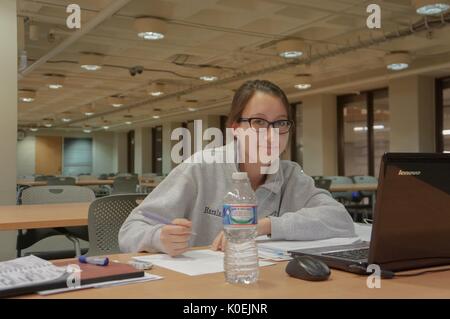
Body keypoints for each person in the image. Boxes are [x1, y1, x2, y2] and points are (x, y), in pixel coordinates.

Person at [119, 80, 355, 256]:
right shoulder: (200, 168)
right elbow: (130, 230)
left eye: (280, 123)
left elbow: (340, 219)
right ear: (236, 128)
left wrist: (263, 226)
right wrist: (158, 237)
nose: (271, 134)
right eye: (259, 122)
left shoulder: (290, 174)